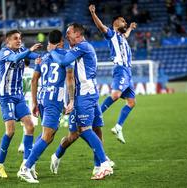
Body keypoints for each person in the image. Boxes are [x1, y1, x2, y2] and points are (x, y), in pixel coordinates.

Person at [49, 23, 113, 180]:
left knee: (84, 130)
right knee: (90, 131)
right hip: (89, 92)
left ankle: (103, 164)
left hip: (84, 94)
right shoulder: (80, 48)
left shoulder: (82, 46)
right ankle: (98, 165)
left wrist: (51, 52)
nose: (66, 36)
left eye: (68, 33)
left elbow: (63, 62)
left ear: (77, 34)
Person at [17, 29, 75, 184]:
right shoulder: (66, 56)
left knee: (49, 134)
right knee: (47, 135)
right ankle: (26, 167)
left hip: (43, 98)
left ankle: (30, 163)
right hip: (53, 100)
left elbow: (34, 80)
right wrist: (71, 100)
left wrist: (35, 102)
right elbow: (69, 79)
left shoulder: (43, 57)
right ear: (61, 42)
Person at [0, 30, 41, 178]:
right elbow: (15, 58)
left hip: (18, 96)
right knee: (11, 131)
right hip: (6, 96)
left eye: (20, 38)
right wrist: (29, 50)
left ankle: (26, 165)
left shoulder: (21, 50)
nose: (18, 41)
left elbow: (36, 56)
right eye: (15, 39)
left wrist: (44, 58)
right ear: (8, 41)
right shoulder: (4, 53)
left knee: (30, 126)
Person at [89, 4, 137, 144]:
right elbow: (100, 27)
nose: (125, 23)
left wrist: (130, 28)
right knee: (115, 95)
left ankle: (118, 127)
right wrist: (93, 13)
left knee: (131, 102)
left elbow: (126, 34)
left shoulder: (122, 37)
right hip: (120, 69)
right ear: (116, 22)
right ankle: (95, 117)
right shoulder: (112, 35)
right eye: (123, 21)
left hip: (128, 73)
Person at [17, 59, 38, 153]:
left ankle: (24, 143)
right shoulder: (33, 71)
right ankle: (24, 144)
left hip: (22, 99)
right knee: (30, 124)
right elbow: (37, 84)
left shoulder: (19, 73)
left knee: (26, 123)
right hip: (32, 99)